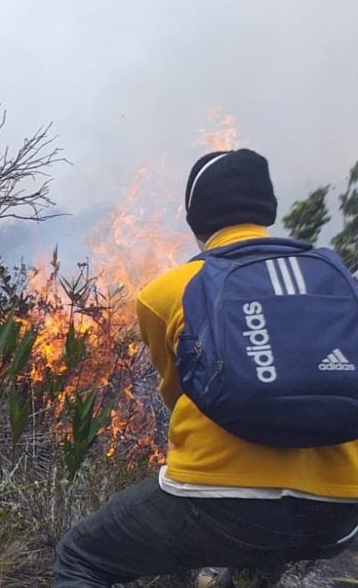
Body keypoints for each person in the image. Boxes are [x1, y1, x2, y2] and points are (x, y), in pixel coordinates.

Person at [53, 149, 358, 587]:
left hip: (218, 503)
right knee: (264, 552)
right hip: (340, 511)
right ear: (267, 209)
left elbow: (181, 393)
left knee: (81, 556)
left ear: (195, 220)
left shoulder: (165, 292)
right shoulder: (336, 277)